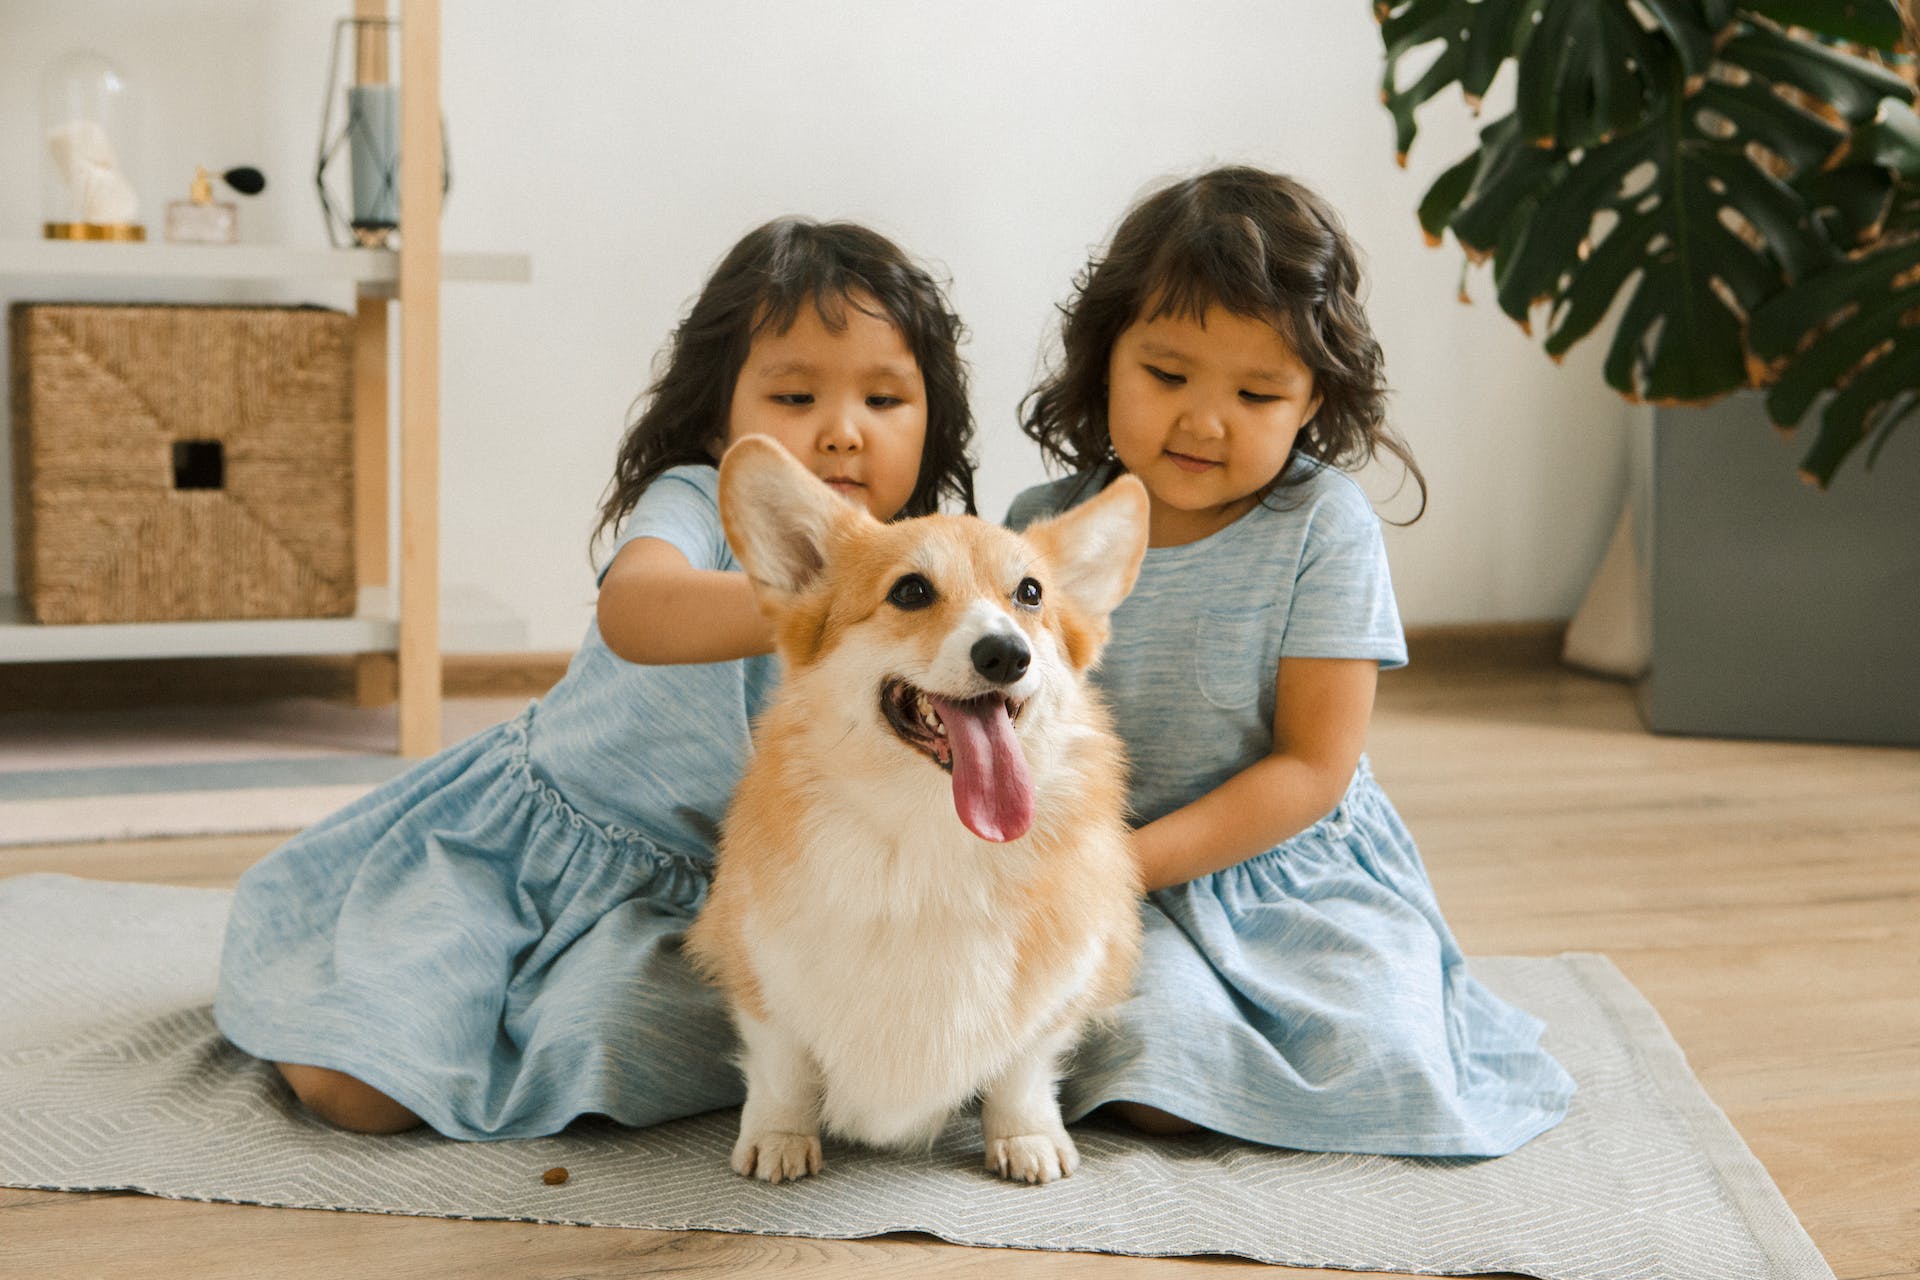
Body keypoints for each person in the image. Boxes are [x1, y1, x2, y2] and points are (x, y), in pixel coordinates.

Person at [215, 218, 976, 1140]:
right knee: (352, 1087)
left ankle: (546, 1021)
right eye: (795, 394)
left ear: (931, 417)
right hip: (537, 853)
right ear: (718, 416)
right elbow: (637, 606)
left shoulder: (927, 571)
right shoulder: (697, 502)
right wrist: (813, 600)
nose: (843, 433)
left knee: (659, 1037)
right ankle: (363, 989)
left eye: (885, 400)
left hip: (706, 903)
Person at [1008, 166, 1574, 1157]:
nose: (1204, 420)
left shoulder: (1324, 526)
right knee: (1158, 1080)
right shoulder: (1040, 529)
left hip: (1282, 871)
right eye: (1168, 375)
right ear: (1106, 360)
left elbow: (1314, 767)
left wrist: (1123, 866)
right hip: (1101, 867)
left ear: (1314, 397)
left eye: (1257, 391)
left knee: (1381, 1051)